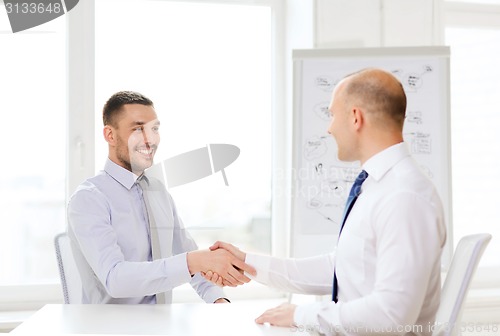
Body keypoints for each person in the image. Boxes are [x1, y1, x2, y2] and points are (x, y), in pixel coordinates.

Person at [204, 68, 447, 335]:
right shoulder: (378, 187)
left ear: (355, 117)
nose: (329, 128)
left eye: (332, 115)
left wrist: (300, 315)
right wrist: (248, 262)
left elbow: (392, 314)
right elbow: (342, 268)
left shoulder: (404, 196)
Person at [67, 91, 255, 304]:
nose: (150, 140)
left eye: (154, 129)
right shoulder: (89, 199)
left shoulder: (157, 191)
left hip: (163, 325)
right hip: (111, 329)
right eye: (138, 129)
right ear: (110, 135)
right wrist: (193, 261)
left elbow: (189, 257)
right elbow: (115, 279)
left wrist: (219, 300)